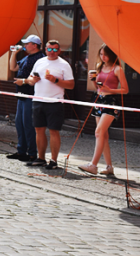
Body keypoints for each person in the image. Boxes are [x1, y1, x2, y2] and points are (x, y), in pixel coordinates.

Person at [78, 45, 128, 176]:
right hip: (99, 100)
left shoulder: (117, 69)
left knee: (99, 132)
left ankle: (93, 165)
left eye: (105, 54)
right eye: (101, 54)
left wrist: (110, 90)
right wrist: (94, 81)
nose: (103, 57)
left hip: (111, 101)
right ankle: (109, 167)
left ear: (112, 55)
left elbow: (125, 89)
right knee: (103, 135)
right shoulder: (100, 67)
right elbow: (98, 88)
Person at [25, 40, 74, 170]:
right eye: (49, 49)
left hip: (55, 102)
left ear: (59, 51)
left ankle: (53, 160)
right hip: (38, 100)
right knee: (39, 130)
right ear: (45, 49)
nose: (52, 52)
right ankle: (41, 158)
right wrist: (32, 80)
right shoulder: (39, 62)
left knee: (53, 131)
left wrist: (55, 80)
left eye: (55, 49)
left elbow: (71, 85)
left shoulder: (64, 64)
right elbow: (30, 79)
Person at [7, 35, 45, 162]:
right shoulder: (27, 57)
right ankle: (21, 150)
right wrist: (14, 53)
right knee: (20, 124)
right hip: (22, 95)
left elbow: (35, 79)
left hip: (31, 95)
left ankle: (32, 152)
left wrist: (22, 81)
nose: (25, 46)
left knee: (28, 124)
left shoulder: (40, 58)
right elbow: (13, 68)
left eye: (27, 44)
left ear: (35, 45)